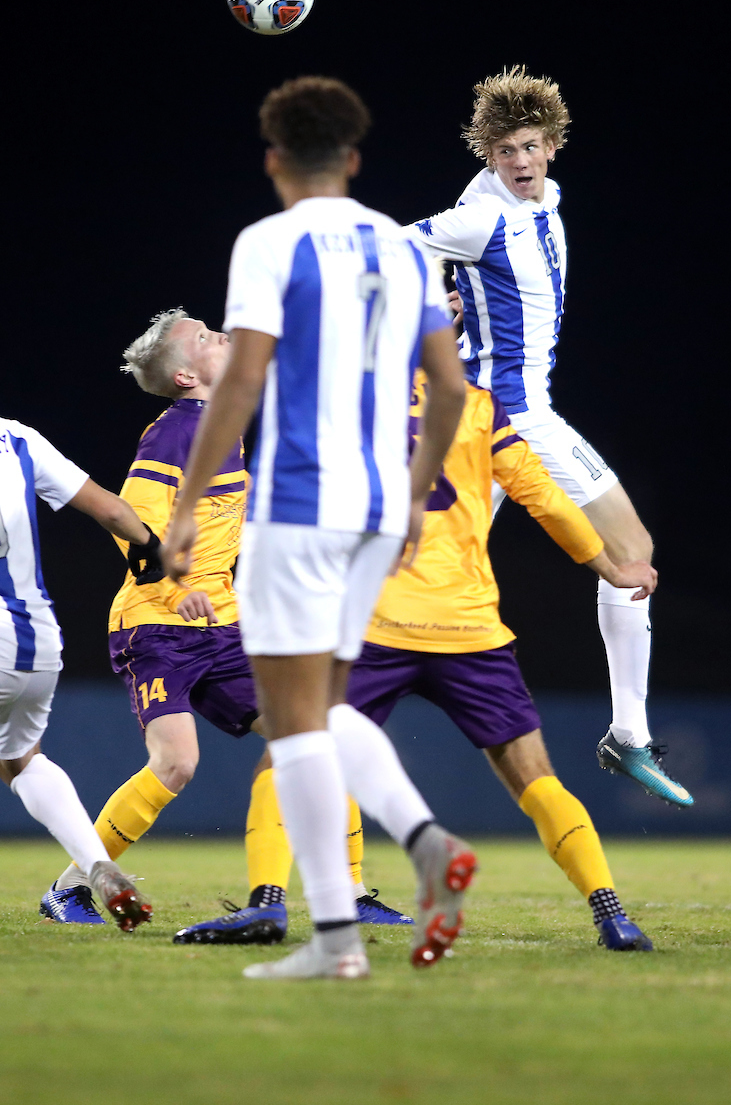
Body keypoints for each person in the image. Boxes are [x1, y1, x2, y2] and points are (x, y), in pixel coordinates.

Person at [162, 75, 474, 981]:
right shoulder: (400, 244)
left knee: (292, 723)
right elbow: (450, 388)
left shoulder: (269, 242)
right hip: (379, 509)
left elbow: (244, 380)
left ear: (273, 161)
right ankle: (395, 875)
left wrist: (185, 510)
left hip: (298, 505)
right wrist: (416, 496)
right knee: (323, 708)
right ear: (355, 158)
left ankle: (353, 922)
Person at [42, 309, 409, 938]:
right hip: (155, 623)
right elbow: (128, 519)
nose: (220, 335)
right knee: (177, 764)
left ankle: (347, 891)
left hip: (222, 624)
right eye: (205, 336)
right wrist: (176, 583)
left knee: (314, 736)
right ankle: (69, 889)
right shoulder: (175, 432)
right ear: (185, 375)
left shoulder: (222, 417)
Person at [404, 66, 692, 806]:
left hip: (529, 417)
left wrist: (448, 297)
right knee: (409, 594)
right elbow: (393, 248)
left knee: (633, 557)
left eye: (531, 146)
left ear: (554, 145)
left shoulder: (545, 199)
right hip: (498, 423)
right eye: (505, 151)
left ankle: (628, 735)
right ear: (488, 155)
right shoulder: (481, 216)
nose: (522, 162)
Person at [349, 372, 660, 949]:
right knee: (536, 779)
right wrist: (611, 569)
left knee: (303, 753)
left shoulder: (346, 389)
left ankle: (278, 901)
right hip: (468, 624)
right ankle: (611, 914)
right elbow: (542, 495)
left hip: (377, 619)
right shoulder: (476, 404)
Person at [1, 417, 151, 930]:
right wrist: (152, 548)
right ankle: (95, 865)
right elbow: (109, 508)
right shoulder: (15, 436)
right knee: (21, 760)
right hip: (36, 637)